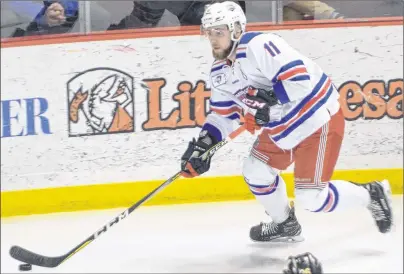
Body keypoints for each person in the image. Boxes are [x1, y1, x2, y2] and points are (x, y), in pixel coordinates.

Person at [180, 1, 393, 242]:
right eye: (209, 33)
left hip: (315, 119)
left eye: (219, 31)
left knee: (312, 199)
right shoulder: (219, 72)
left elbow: (299, 80)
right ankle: (285, 224)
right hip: (281, 127)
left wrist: (269, 100)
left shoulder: (259, 46)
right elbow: (223, 114)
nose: (213, 39)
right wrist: (204, 145)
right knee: (256, 171)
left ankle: (371, 194)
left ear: (237, 29)